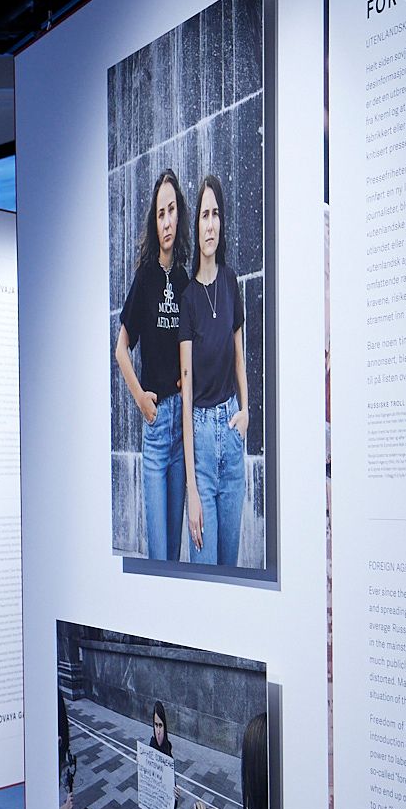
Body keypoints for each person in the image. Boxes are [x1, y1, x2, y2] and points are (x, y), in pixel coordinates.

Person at [115, 166, 189, 560]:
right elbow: (121, 348)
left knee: (174, 554)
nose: (166, 221)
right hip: (157, 427)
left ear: (180, 215)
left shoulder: (185, 279)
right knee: (159, 555)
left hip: (182, 427)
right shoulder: (145, 278)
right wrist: (141, 398)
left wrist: (189, 383)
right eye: (160, 214)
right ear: (154, 221)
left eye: (171, 210)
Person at [180, 172, 251, 567]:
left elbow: (239, 357)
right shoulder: (189, 299)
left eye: (216, 214)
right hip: (202, 442)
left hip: (231, 430)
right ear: (197, 225)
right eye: (205, 215)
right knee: (205, 572)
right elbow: (186, 392)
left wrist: (246, 412)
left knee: (230, 569)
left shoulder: (230, 282)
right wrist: (192, 488)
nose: (210, 224)